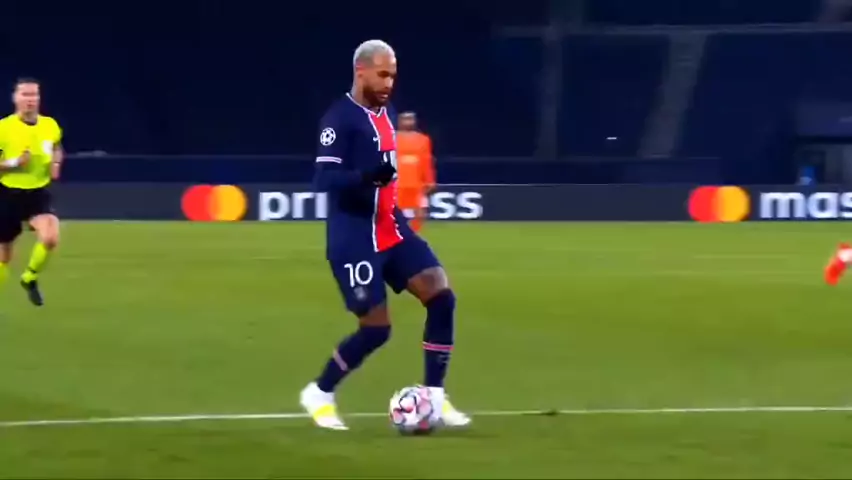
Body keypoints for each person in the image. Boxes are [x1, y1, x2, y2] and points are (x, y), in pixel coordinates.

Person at [300, 40, 470, 431]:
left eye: (393, 75)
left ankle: (434, 397)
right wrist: (365, 177)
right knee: (377, 329)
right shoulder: (339, 119)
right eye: (382, 74)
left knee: (441, 295)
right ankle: (320, 392)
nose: (389, 83)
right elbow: (323, 180)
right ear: (360, 71)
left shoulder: (387, 112)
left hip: (390, 226)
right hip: (354, 236)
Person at [0, 78, 63, 306]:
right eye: (25, 94)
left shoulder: (49, 125)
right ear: (15, 98)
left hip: (37, 194)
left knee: (50, 237)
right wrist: (14, 163)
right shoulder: (4, 128)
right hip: (8, 194)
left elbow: (56, 147)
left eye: (34, 94)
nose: (30, 99)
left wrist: (56, 162)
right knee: (4, 255)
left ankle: (29, 277)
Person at [396, 111, 435, 232]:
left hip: (417, 184)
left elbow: (427, 160)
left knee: (420, 214)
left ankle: (412, 235)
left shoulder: (423, 139)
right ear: (399, 122)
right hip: (397, 183)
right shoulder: (390, 138)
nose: (408, 122)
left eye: (410, 119)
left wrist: (430, 180)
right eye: (405, 119)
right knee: (393, 213)